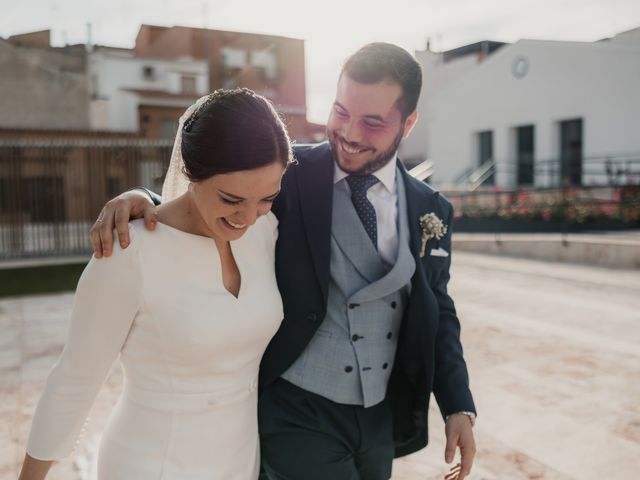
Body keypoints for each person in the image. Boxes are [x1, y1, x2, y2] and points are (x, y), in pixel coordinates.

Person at [90, 43, 477, 480]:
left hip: (378, 418)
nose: (349, 133)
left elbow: (440, 312)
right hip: (297, 408)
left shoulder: (432, 209)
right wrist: (144, 200)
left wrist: (458, 404)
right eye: (341, 111)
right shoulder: (289, 172)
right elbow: (214, 196)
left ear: (408, 124)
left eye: (372, 122)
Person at [19, 88, 294, 480]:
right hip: (150, 463)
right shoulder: (129, 253)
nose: (249, 216)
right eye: (232, 199)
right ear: (192, 172)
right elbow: (75, 380)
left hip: (238, 460)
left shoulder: (265, 231)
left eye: (268, 197)